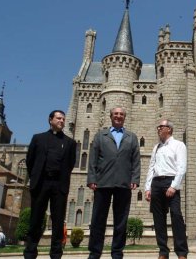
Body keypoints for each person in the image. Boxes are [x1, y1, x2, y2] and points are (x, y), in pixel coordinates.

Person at [87, 107, 141, 259]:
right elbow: (93, 159)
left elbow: (136, 160)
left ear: (125, 117)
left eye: (121, 114)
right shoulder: (100, 136)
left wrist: (135, 179)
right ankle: (95, 252)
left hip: (124, 184)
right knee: (98, 220)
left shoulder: (131, 137)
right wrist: (92, 179)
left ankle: (117, 253)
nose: (118, 116)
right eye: (116, 114)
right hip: (103, 183)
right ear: (111, 116)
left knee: (121, 221)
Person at [24, 110, 76, 259]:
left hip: (59, 185)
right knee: (35, 220)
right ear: (50, 120)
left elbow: (70, 163)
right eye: (58, 118)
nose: (61, 121)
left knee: (58, 222)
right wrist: (36, 177)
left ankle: (55, 254)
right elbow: (30, 161)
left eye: (63, 119)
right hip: (41, 183)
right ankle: (30, 253)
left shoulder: (70, 143)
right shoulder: (38, 139)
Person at [145, 119, 189, 259]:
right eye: (158, 127)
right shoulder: (156, 147)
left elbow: (181, 167)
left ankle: (181, 252)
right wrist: (147, 188)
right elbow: (151, 168)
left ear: (169, 129)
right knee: (158, 219)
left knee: (176, 216)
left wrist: (174, 186)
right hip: (156, 184)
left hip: (171, 182)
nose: (158, 129)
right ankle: (163, 251)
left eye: (161, 126)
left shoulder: (179, 145)